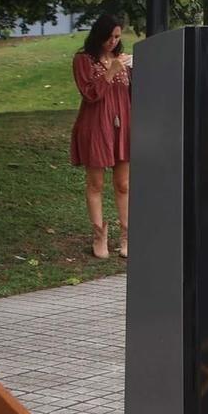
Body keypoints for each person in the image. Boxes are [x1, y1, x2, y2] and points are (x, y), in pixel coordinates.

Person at [71, 14, 132, 259]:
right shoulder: (83, 60)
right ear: (99, 34)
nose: (113, 42)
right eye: (110, 37)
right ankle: (99, 236)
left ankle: (127, 235)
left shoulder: (122, 60)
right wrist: (110, 72)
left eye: (117, 37)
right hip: (96, 126)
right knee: (95, 183)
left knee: (124, 184)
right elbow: (90, 94)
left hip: (123, 126)